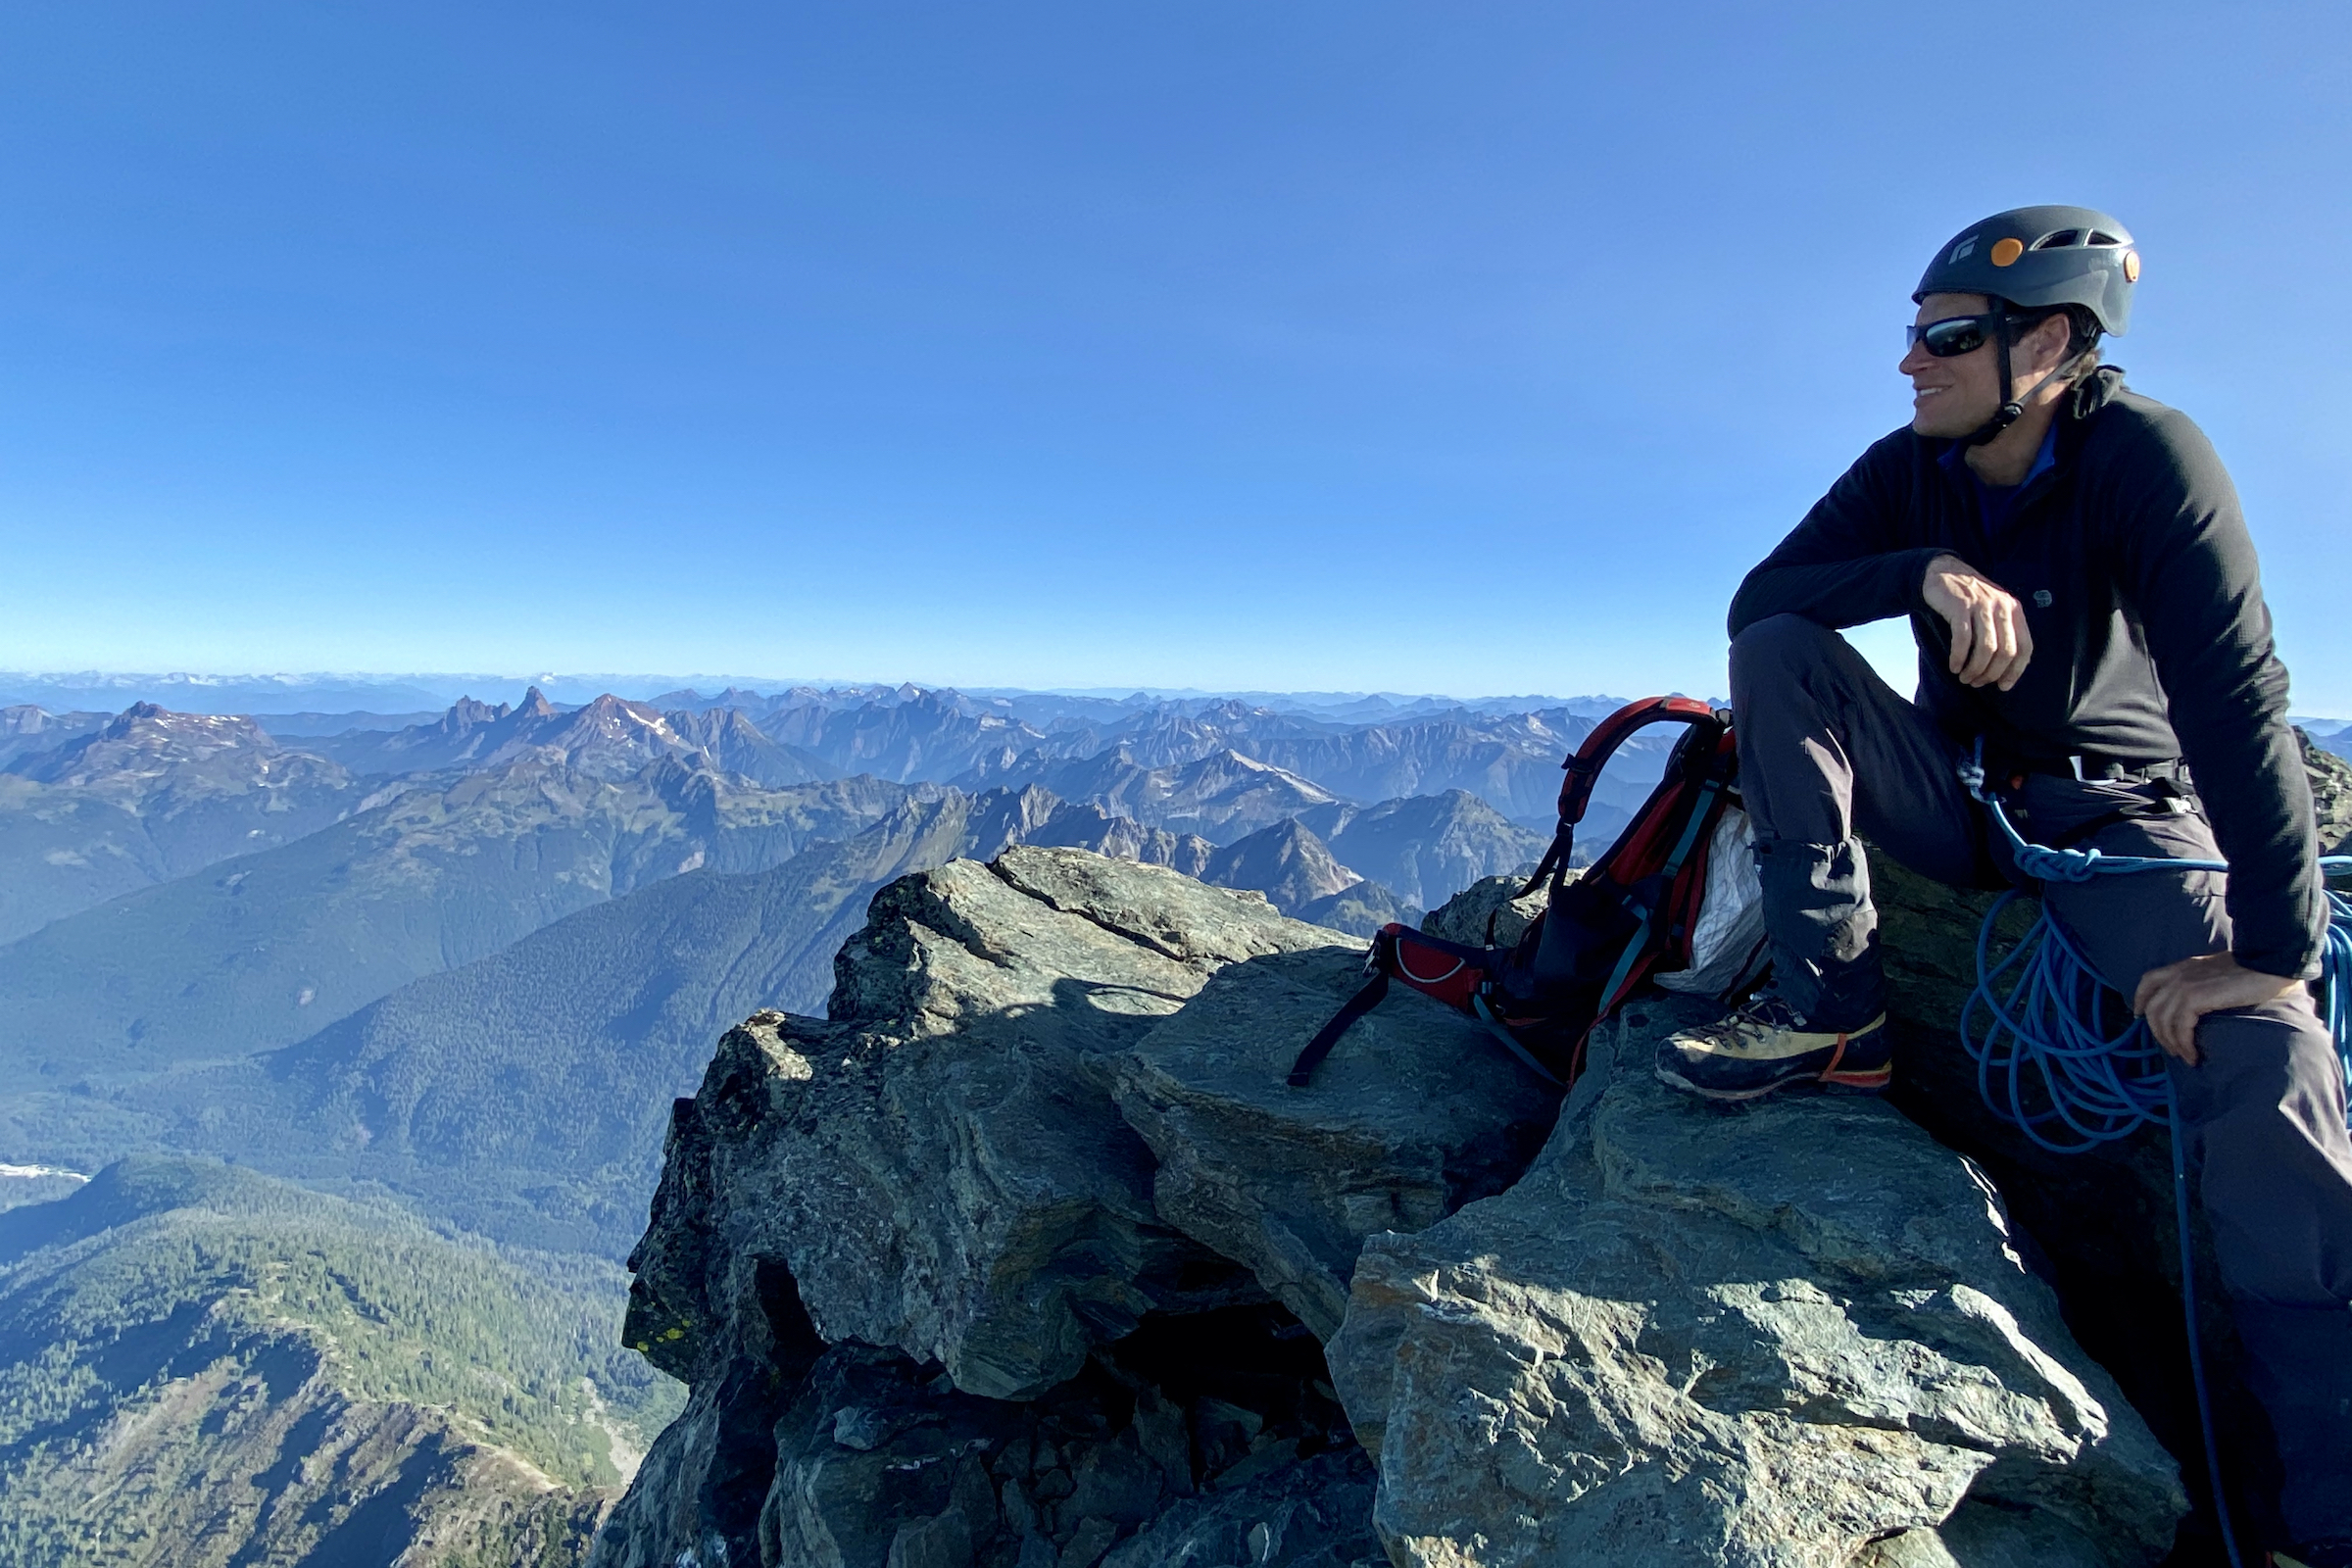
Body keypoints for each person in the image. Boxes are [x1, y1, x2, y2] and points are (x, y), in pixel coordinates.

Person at [1651, 205, 2352, 1565]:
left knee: (2268, 1062)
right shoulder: (1914, 470)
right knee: (1790, 648)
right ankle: (1838, 1010)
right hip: (1964, 797)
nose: (1912, 364)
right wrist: (1920, 569)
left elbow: (2237, 696)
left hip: (2120, 814)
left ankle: (2325, 1504)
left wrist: (2272, 945)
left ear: (2053, 342)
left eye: (1946, 338)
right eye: (1913, 337)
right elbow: (1759, 602)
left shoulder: (2148, 458)